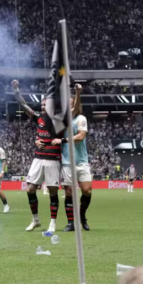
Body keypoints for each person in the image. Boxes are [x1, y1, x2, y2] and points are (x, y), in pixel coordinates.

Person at [12, 79, 63, 234]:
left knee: (53, 191)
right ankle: (35, 220)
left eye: (45, 105)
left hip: (53, 160)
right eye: (41, 105)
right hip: (38, 158)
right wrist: (16, 91)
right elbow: (24, 105)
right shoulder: (38, 118)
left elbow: (62, 139)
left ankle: (53, 223)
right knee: (30, 189)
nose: (42, 107)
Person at [58, 85, 92, 232]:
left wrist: (78, 93)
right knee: (69, 192)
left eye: (72, 103)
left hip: (82, 161)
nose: (71, 105)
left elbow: (81, 136)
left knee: (87, 191)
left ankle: (82, 216)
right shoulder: (63, 119)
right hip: (67, 161)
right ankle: (71, 222)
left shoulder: (81, 118)